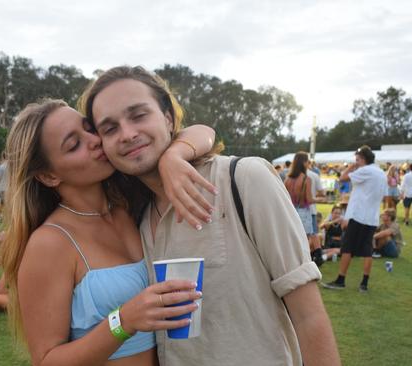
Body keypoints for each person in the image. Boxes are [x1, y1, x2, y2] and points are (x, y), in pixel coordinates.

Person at [81, 66, 339, 365]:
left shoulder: (242, 179)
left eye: (138, 115)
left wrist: (174, 155)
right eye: (110, 128)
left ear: (167, 117)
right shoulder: (133, 213)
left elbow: (308, 316)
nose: (127, 134)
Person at [0, 98, 215, 365]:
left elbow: (205, 132)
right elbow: (46, 359)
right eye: (73, 144)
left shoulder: (132, 203)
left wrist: (174, 155)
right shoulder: (50, 243)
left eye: (89, 128)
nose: (94, 141)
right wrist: (123, 321)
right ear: (48, 176)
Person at [322, 145, 386, 293]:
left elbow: (342, 178)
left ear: (362, 159)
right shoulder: (381, 173)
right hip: (372, 217)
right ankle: (364, 283)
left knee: (347, 248)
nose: (356, 162)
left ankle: (341, 280)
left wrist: (352, 166)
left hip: (358, 216)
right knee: (367, 250)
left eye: (357, 159)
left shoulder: (365, 170)